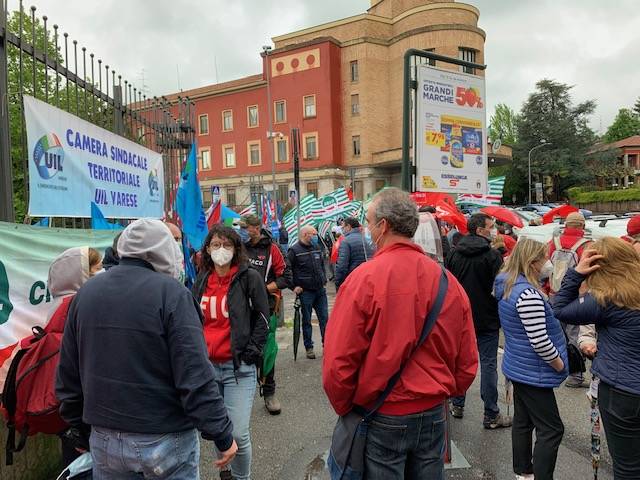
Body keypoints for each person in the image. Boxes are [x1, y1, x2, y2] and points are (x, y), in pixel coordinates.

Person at [56, 219, 237, 479]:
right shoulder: (173, 294)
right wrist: (222, 434)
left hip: (105, 438)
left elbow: (67, 376)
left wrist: (80, 428)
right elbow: (195, 375)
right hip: (164, 438)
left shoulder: (86, 293)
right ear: (165, 251)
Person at [323, 188, 478, 479]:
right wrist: (450, 390)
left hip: (383, 412)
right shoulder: (447, 281)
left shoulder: (364, 280)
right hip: (433, 411)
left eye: (369, 222)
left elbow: (338, 361)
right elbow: (467, 355)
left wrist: (347, 406)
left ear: (383, 227)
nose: (367, 229)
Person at [553, 238, 640, 479]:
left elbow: (558, 309)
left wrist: (576, 274)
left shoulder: (607, 298)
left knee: (627, 465)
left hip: (621, 389)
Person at [192, 224, 270, 480]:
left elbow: (262, 319)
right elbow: (192, 317)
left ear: (236, 248)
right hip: (207, 368)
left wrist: (251, 352)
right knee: (218, 428)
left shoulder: (249, 277)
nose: (220, 250)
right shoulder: (202, 277)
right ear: (207, 249)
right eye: (215, 245)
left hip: (238, 369)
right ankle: (225, 470)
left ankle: (241, 477)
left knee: (238, 433)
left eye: (226, 245)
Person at [493, 239, 568, 480]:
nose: (547, 263)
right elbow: (539, 341)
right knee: (552, 429)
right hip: (533, 371)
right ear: (532, 262)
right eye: (544, 258)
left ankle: (523, 472)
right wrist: (558, 363)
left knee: (523, 422)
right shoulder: (528, 295)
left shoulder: (507, 285)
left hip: (518, 366)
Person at [445, 213, 511, 428]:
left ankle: (457, 403)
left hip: (460, 317)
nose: (494, 231)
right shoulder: (493, 256)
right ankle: (491, 413)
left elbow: (449, 286)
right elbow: (499, 288)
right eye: (491, 227)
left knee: (459, 361)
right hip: (488, 317)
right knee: (489, 364)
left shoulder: (454, 254)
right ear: (481, 230)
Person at [44, 247, 101, 467]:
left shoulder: (60, 302)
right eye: (96, 268)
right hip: (78, 401)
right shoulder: (75, 304)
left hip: (65, 401)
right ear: (81, 275)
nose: (102, 272)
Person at [241, 214, 293, 416]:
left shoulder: (272, 249)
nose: (245, 231)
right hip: (243, 308)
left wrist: (261, 289)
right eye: (243, 228)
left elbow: (286, 278)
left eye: (248, 228)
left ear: (257, 228)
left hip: (267, 308)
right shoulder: (242, 248)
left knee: (267, 350)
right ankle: (242, 393)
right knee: (244, 348)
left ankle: (269, 392)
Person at [547, 211, 591, 388]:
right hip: (575, 296)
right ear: (582, 226)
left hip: (553, 294)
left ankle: (559, 368)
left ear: (566, 225)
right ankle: (576, 376)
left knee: (558, 334)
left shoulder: (552, 243)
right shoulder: (586, 245)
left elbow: (545, 268)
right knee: (575, 334)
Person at [287, 225, 329, 359]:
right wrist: (293, 286)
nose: (316, 236)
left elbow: (322, 264)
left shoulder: (316, 247)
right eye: (314, 234)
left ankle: (327, 346)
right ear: (305, 235)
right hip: (306, 292)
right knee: (306, 321)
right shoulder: (294, 250)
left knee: (325, 319)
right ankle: (309, 347)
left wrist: (324, 278)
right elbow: (287, 270)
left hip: (320, 290)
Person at [334, 217, 374, 290]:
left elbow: (342, 266)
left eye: (343, 227)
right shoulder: (365, 238)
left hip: (353, 280)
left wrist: (338, 282)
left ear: (349, 227)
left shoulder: (345, 241)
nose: (342, 229)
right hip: (367, 278)